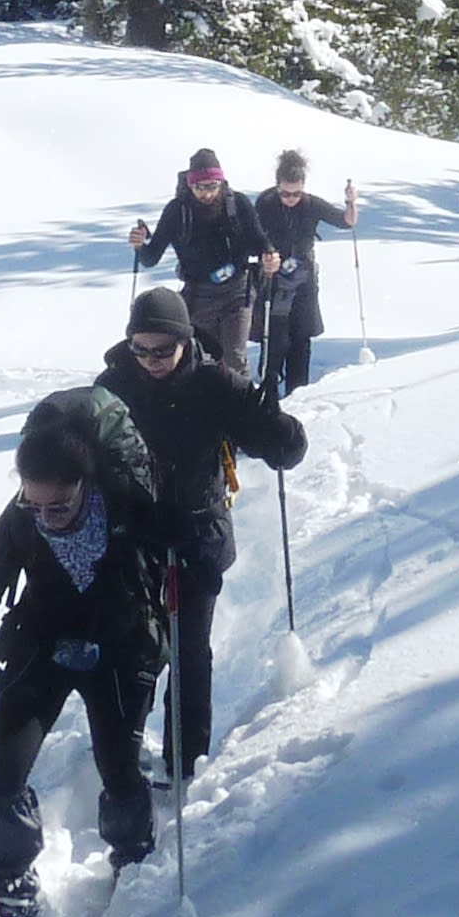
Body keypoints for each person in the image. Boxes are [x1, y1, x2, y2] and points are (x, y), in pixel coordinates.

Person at [0, 386, 175, 917]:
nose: (45, 518)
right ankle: (11, 882)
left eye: (56, 506)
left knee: (120, 768)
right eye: (33, 504)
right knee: (4, 779)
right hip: (40, 647)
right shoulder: (19, 521)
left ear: (86, 485)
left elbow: (178, 560)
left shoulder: (130, 505)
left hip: (119, 646)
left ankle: (132, 852)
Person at [100, 283, 303, 778]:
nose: (151, 359)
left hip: (197, 535)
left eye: (162, 349)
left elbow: (281, 450)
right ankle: (121, 759)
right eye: (140, 348)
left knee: (190, 651)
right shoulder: (112, 388)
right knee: (135, 651)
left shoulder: (216, 384)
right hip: (135, 540)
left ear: (185, 340)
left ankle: (184, 760)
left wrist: (276, 426)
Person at [130, 146, 273, 373]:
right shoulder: (177, 211)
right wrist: (140, 245)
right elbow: (151, 257)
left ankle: (241, 406)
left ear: (221, 182)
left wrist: (269, 253)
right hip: (198, 295)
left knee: (234, 359)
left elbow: (258, 239)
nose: (206, 193)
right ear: (189, 184)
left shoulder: (238, 204)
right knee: (204, 358)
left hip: (238, 291)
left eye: (212, 186)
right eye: (199, 187)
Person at [253, 150, 361, 401]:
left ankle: (297, 392)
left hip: (304, 276)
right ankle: (269, 388)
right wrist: (264, 254)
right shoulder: (266, 203)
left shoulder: (311, 204)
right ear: (277, 186)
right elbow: (252, 234)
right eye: (285, 193)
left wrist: (350, 202)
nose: (290, 198)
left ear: (303, 188)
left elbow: (347, 222)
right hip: (274, 277)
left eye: (296, 193)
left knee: (301, 335)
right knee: (275, 335)